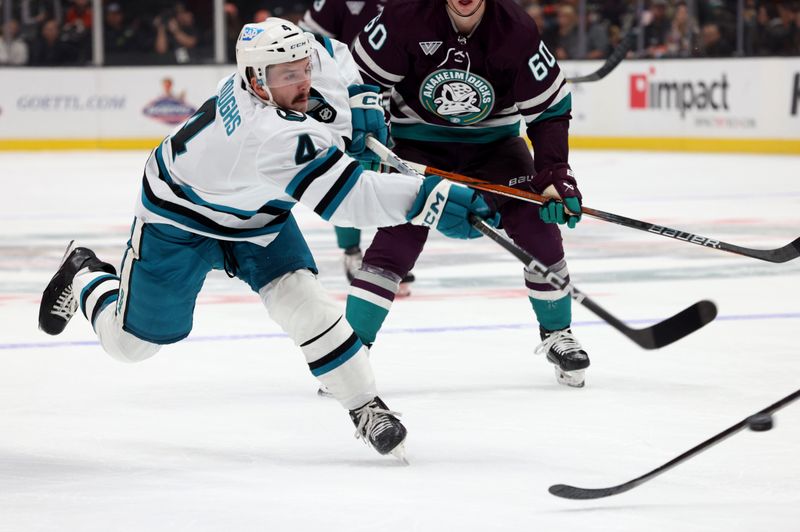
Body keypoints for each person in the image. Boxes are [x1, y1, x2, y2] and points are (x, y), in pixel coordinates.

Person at [38, 18, 495, 459]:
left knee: (306, 303)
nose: (302, 81)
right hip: (179, 218)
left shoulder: (288, 57)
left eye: (302, 70)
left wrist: (361, 100)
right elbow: (350, 199)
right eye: (287, 76)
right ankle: (84, 273)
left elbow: (330, 50)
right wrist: (429, 200)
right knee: (130, 346)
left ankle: (364, 406)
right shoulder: (269, 135)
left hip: (256, 217)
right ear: (256, 82)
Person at [348, 0, 591, 387]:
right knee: (399, 234)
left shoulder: (516, 30)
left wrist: (553, 174)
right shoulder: (404, 15)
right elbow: (360, 82)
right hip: (417, 144)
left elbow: (548, 112)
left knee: (536, 225)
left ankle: (557, 333)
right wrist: (373, 139)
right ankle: (349, 354)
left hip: (495, 147)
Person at [300, 0, 416, 294]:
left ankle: (391, 257)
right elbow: (304, 43)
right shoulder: (334, 3)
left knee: (398, 177)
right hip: (347, 103)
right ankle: (352, 252)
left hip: (398, 102)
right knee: (349, 175)